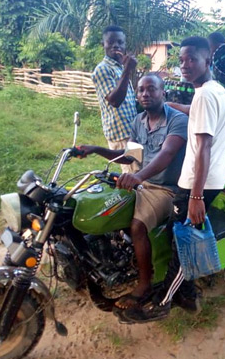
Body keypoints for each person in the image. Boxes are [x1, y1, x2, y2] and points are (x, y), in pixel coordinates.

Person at [120, 36, 225, 323]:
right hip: (204, 180)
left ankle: (163, 302)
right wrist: (172, 105)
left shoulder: (206, 95)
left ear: (208, 60)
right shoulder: (212, 90)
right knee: (176, 236)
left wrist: (195, 197)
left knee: (184, 246)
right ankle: (188, 294)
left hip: (199, 183)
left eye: (192, 59)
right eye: (181, 60)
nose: (185, 65)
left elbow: (203, 147)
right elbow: (197, 113)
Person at [77, 73, 188, 308]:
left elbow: (167, 154)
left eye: (151, 89)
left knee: (137, 226)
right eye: (141, 90)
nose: (145, 94)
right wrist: (96, 149)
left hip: (167, 190)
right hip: (143, 184)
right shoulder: (139, 120)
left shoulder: (177, 120)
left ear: (163, 93)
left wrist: (137, 176)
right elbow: (130, 156)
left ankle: (145, 284)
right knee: (106, 208)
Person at [92, 25, 139, 174]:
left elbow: (129, 101)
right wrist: (127, 70)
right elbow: (115, 101)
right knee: (133, 176)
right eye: (111, 42)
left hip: (132, 131)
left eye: (120, 42)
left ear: (125, 45)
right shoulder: (103, 69)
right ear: (103, 45)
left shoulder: (120, 67)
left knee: (140, 171)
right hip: (121, 134)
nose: (116, 45)